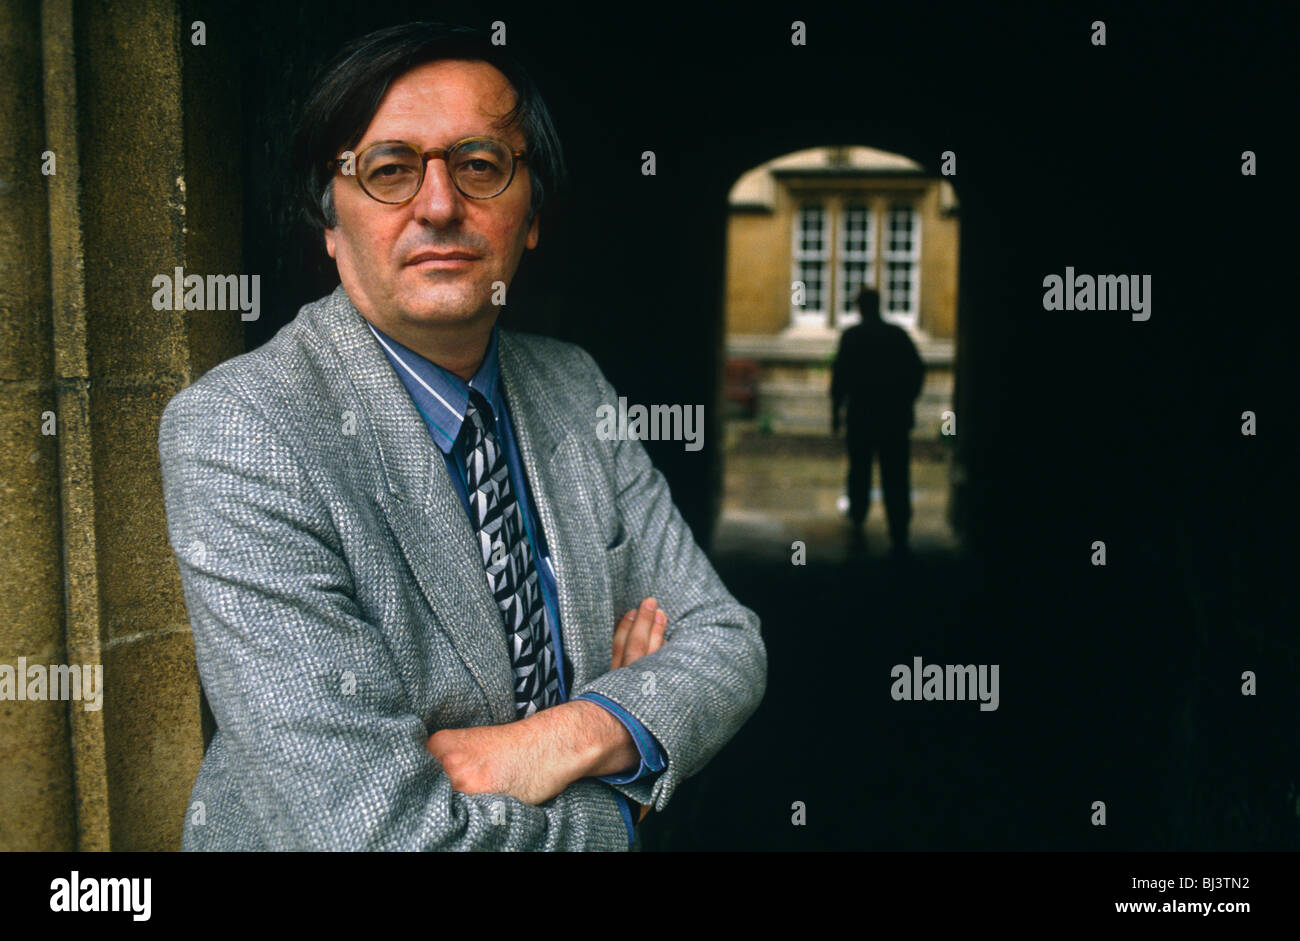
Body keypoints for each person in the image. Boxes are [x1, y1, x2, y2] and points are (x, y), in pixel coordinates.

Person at [157, 21, 766, 851]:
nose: (439, 205)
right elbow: (382, 836)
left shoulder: (574, 384)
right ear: (329, 224)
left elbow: (728, 643)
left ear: (534, 213)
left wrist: (576, 732)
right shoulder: (245, 432)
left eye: (480, 166)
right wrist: (628, 800)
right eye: (389, 170)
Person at [830, 285, 925, 559]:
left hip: (862, 416)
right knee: (896, 474)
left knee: (859, 470)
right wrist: (906, 401)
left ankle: (858, 521)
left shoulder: (852, 337)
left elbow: (840, 378)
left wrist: (836, 413)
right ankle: (898, 531)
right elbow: (917, 370)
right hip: (893, 418)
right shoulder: (897, 335)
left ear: (860, 307)